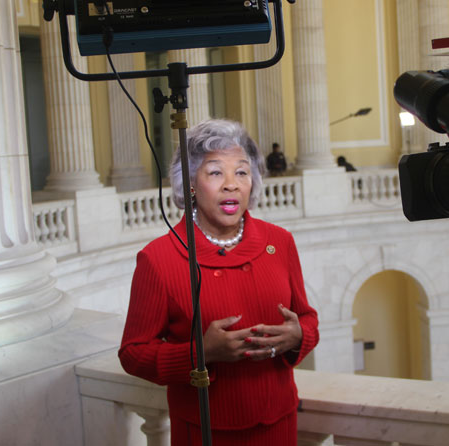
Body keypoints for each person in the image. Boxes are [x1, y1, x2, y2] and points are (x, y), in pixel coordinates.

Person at [119, 119, 319, 446]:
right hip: (205, 432)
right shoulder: (159, 258)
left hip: (279, 424)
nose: (231, 184)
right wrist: (201, 353)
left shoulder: (279, 242)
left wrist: (299, 335)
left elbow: (308, 319)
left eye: (241, 172)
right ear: (191, 185)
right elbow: (133, 353)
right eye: (215, 172)